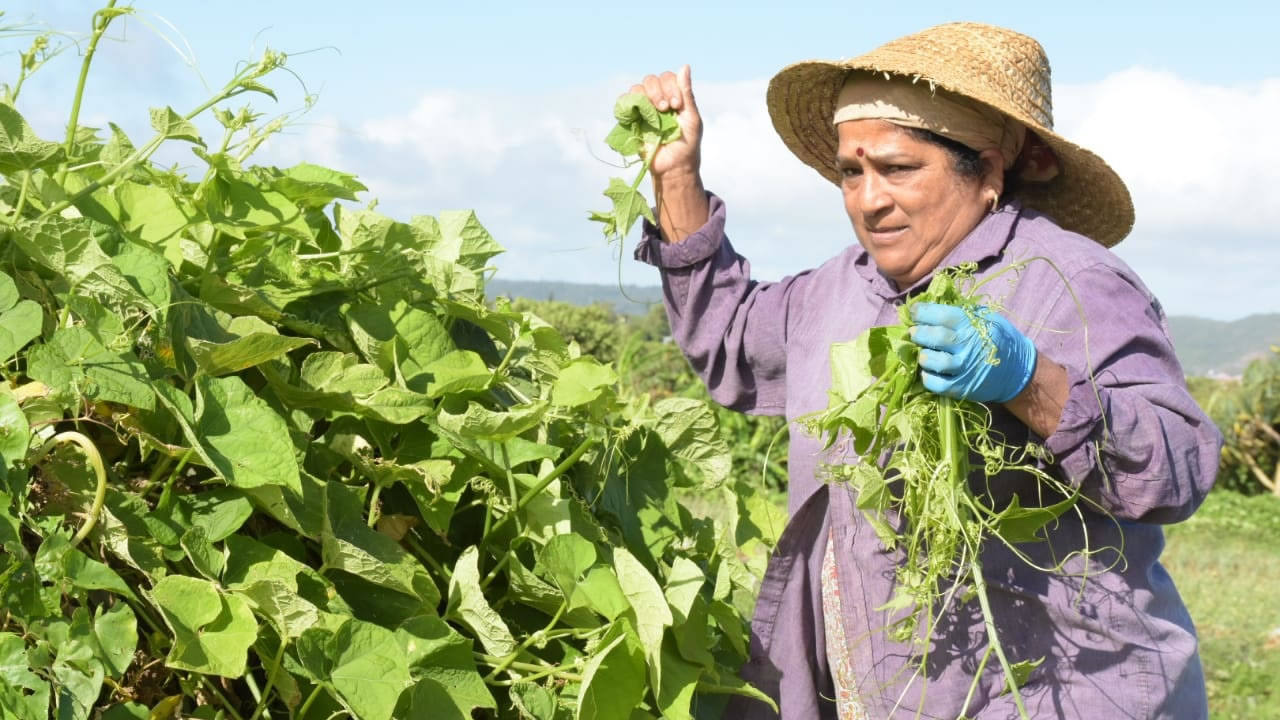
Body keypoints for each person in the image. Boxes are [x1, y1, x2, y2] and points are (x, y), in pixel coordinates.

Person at [628, 22, 1221, 720]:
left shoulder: (1068, 280)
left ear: (990, 170)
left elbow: (1178, 466)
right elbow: (729, 340)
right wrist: (677, 180)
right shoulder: (840, 291)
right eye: (852, 171)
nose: (867, 199)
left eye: (898, 168)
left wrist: (1029, 383)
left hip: (1059, 693)